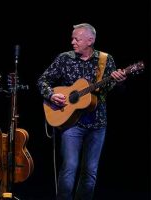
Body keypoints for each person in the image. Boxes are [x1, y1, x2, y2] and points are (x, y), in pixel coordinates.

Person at [37, 23, 127, 200]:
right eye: (72, 38)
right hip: (71, 123)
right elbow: (43, 80)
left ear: (90, 40)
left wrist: (120, 81)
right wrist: (51, 95)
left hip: (97, 123)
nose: (72, 42)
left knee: (90, 172)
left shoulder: (105, 60)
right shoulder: (64, 58)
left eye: (76, 39)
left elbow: (116, 91)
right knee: (69, 167)